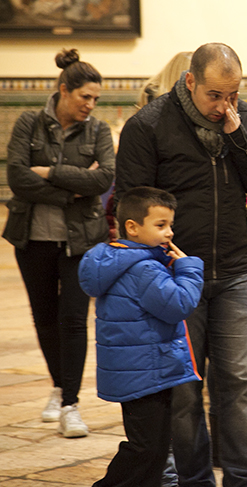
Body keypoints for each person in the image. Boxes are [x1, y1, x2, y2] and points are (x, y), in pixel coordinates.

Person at [115, 42, 247, 487]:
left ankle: (244, 480)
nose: (225, 105)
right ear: (190, 82)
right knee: (185, 390)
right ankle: (195, 481)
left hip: (235, 271)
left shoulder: (242, 120)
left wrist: (237, 136)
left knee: (240, 385)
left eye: (234, 95)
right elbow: (130, 207)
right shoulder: (148, 126)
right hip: (173, 279)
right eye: (215, 96)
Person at [2, 48, 114, 438]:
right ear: (64, 91)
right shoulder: (29, 124)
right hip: (32, 239)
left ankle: (70, 404)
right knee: (45, 320)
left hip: (80, 241)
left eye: (96, 99)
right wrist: (70, 191)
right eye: (85, 96)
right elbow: (17, 178)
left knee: (73, 320)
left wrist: (49, 171)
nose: (91, 105)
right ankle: (58, 386)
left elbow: (103, 180)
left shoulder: (97, 131)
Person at [78, 187, 204, 487]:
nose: (169, 233)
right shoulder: (145, 268)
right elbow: (179, 305)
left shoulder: (114, 258)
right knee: (148, 449)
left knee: (152, 448)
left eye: (170, 225)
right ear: (132, 227)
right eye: (160, 226)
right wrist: (188, 268)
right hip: (147, 372)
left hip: (136, 369)